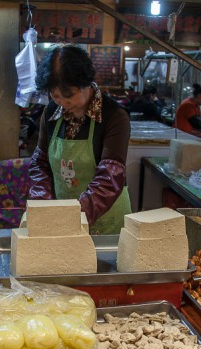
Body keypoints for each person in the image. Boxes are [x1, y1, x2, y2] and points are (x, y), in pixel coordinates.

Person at [28, 45, 131, 235]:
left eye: (69, 96)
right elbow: (40, 163)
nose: (63, 103)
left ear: (86, 84)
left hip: (105, 223)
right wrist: (43, 205)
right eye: (55, 95)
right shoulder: (51, 112)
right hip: (61, 221)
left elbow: (110, 177)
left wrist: (73, 218)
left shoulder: (114, 116)